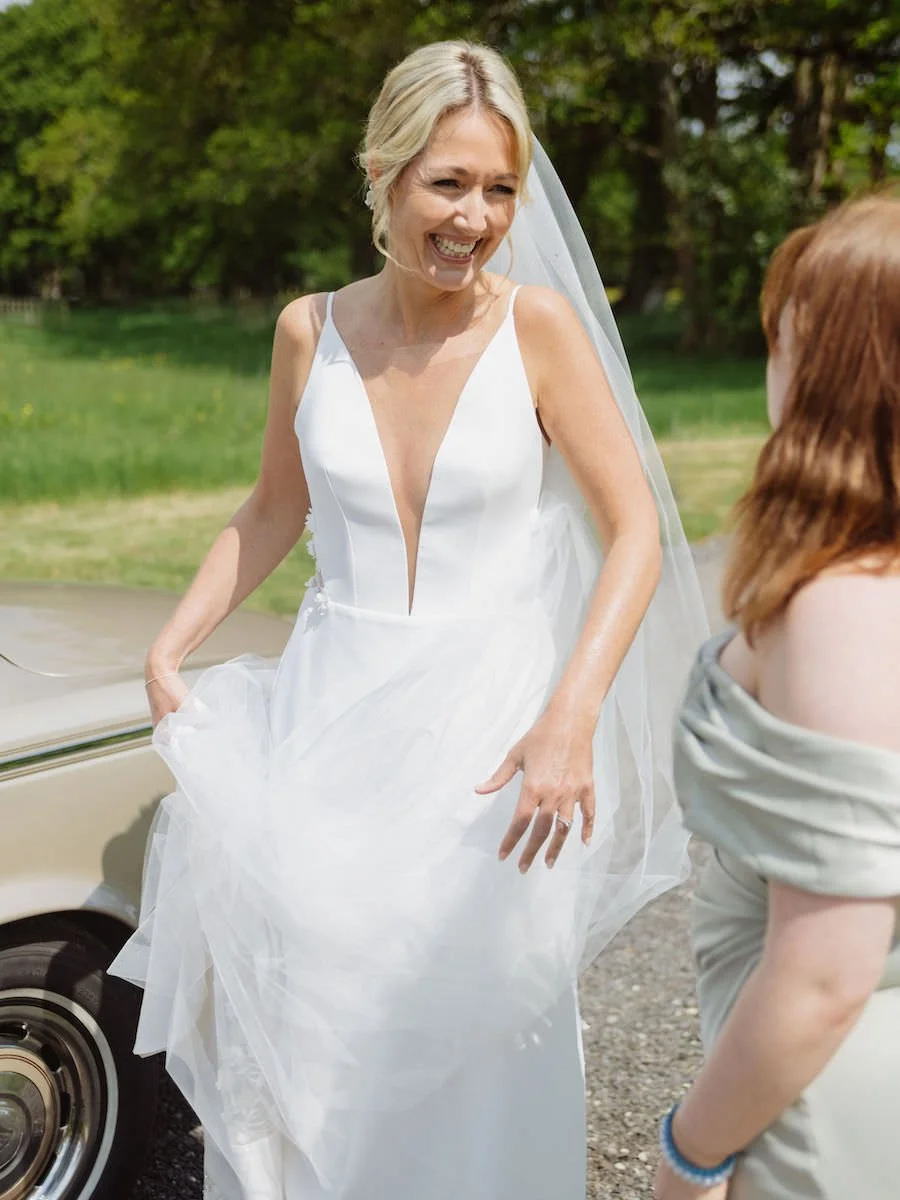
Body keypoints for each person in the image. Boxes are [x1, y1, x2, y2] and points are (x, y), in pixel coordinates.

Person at [109, 40, 705, 1200]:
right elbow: (275, 506)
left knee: (478, 1045)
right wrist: (172, 640)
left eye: (498, 188)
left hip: (496, 746)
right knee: (318, 1039)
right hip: (334, 725)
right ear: (382, 173)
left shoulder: (537, 331)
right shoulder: (307, 331)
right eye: (447, 183)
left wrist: (569, 720)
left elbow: (634, 529)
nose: (475, 217)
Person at [656, 192, 900, 1200]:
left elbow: (825, 973)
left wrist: (689, 1153)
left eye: (783, 336)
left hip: (831, 1108)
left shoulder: (843, 607)